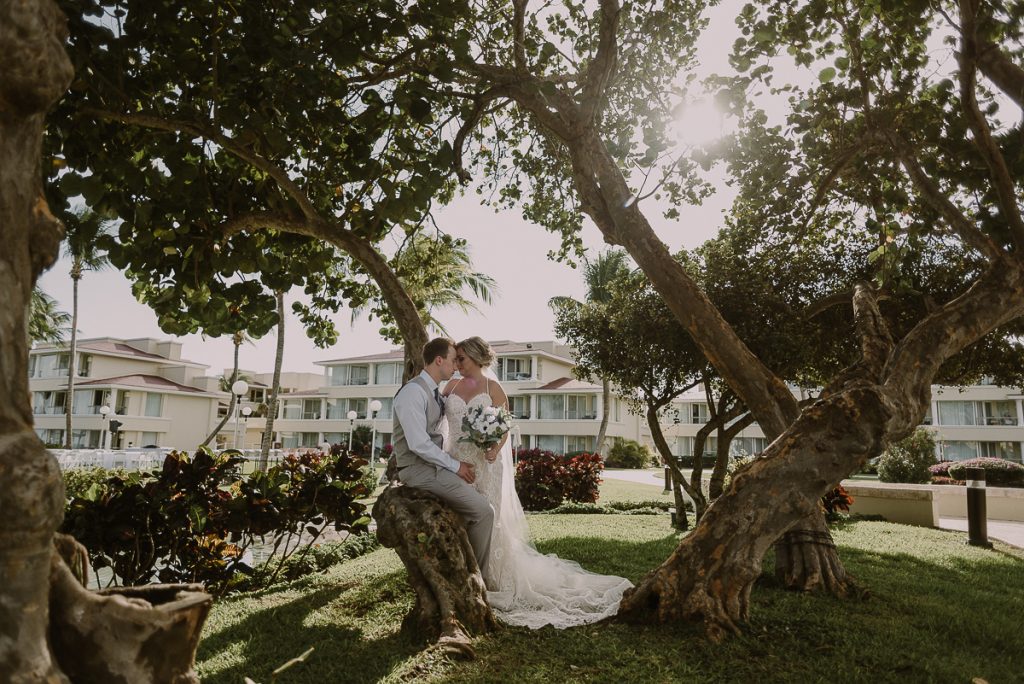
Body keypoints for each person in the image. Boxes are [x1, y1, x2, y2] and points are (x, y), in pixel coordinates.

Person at [442, 336, 633, 629]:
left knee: (489, 519)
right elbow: (444, 429)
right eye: (455, 359)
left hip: (487, 465)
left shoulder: (493, 387)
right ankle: (460, 570)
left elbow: (503, 426)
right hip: (457, 463)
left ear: (478, 359)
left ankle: (488, 576)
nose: (458, 364)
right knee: (460, 516)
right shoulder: (450, 386)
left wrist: (493, 447)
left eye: (462, 359)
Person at [393, 337, 494, 573]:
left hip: (433, 467)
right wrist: (456, 466)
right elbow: (418, 444)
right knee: (484, 512)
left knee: (474, 506)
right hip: (418, 470)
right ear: (439, 360)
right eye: (452, 360)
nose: (456, 366)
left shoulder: (435, 391)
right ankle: (478, 578)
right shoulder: (412, 392)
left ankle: (463, 570)